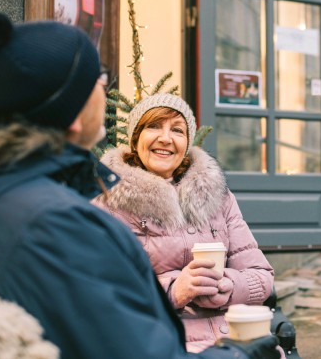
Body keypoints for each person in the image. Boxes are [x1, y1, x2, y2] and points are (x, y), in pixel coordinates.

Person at [0, 11, 279, 359]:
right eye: (97, 79)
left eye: (177, 130)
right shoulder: (62, 223)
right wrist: (240, 355)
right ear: (74, 113)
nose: (104, 86)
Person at [94, 93, 275, 353]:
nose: (165, 138)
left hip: (235, 341)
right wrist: (173, 291)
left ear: (187, 142)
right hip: (161, 344)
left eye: (177, 130)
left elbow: (263, 278)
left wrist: (229, 286)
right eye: (153, 126)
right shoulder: (108, 202)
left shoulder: (217, 195)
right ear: (135, 139)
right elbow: (102, 295)